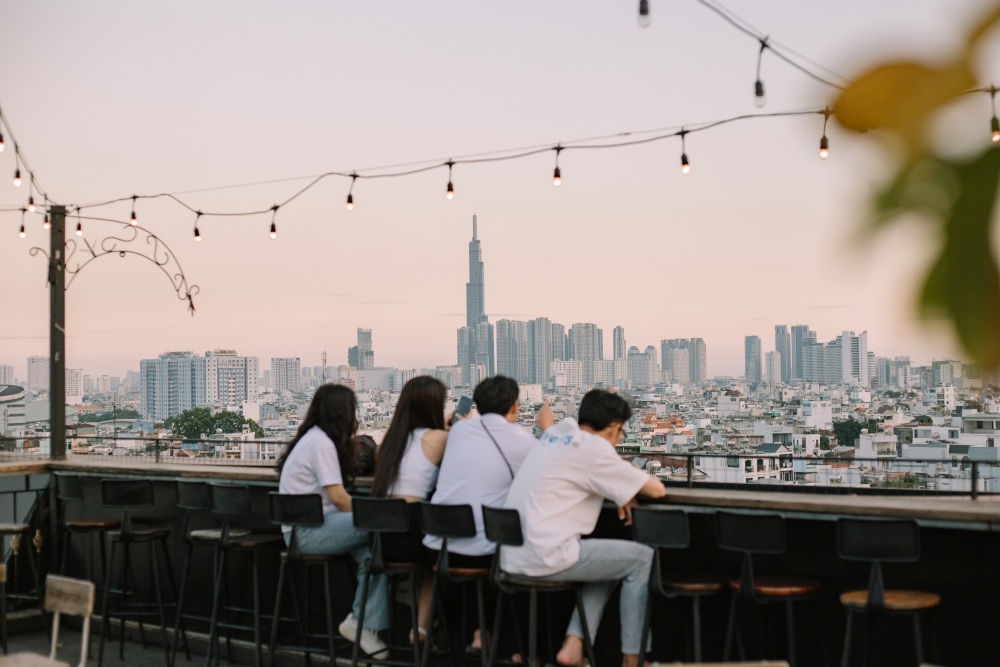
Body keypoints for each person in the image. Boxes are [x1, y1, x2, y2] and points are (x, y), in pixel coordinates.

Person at [502, 389, 667, 667]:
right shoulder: (596, 450)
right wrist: (625, 485)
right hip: (545, 557)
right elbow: (657, 489)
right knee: (641, 559)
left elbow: (553, 432)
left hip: (509, 557)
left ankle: (575, 645)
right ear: (615, 428)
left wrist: (620, 488)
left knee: (611, 563)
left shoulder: (557, 434)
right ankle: (633, 658)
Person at [424, 375, 551, 654]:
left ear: (477, 407)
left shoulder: (458, 431)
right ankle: (521, 649)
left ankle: (480, 634)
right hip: (484, 554)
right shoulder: (524, 442)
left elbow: (454, 428)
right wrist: (548, 429)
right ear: (516, 406)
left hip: (439, 548)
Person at [277, 384, 389, 658]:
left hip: (304, 529)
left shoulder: (311, 439)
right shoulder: (322, 445)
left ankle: (363, 623)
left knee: (371, 554)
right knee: (381, 530)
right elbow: (338, 498)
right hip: (306, 534)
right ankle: (362, 623)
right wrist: (375, 509)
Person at [371, 375, 450, 643]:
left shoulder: (388, 443)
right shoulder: (439, 438)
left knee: (419, 564)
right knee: (435, 564)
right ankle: (422, 628)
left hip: (380, 538)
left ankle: (402, 604)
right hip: (413, 532)